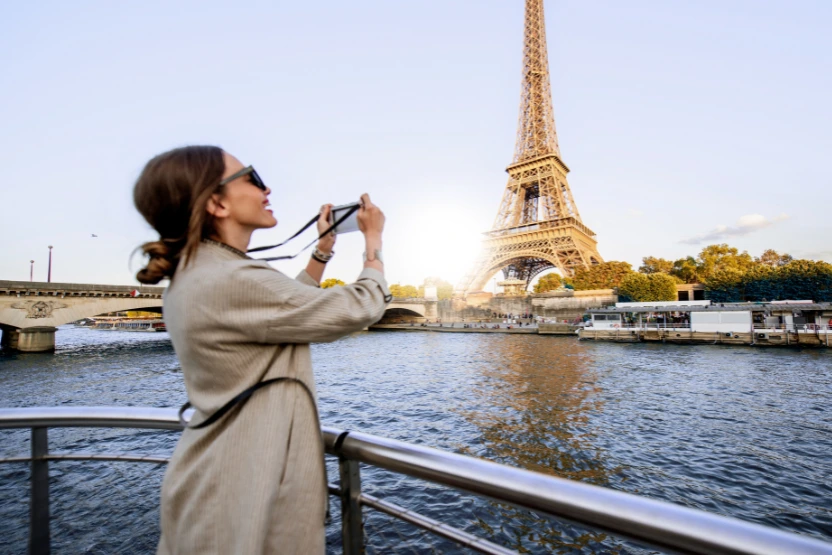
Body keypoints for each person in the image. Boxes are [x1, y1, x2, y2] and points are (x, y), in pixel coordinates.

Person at [133, 146, 391, 554]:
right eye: (251, 177)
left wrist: (323, 251)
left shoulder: (207, 270)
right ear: (216, 202)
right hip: (238, 491)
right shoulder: (230, 277)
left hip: (225, 478)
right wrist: (373, 241)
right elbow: (360, 306)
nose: (266, 187)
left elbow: (280, 312)